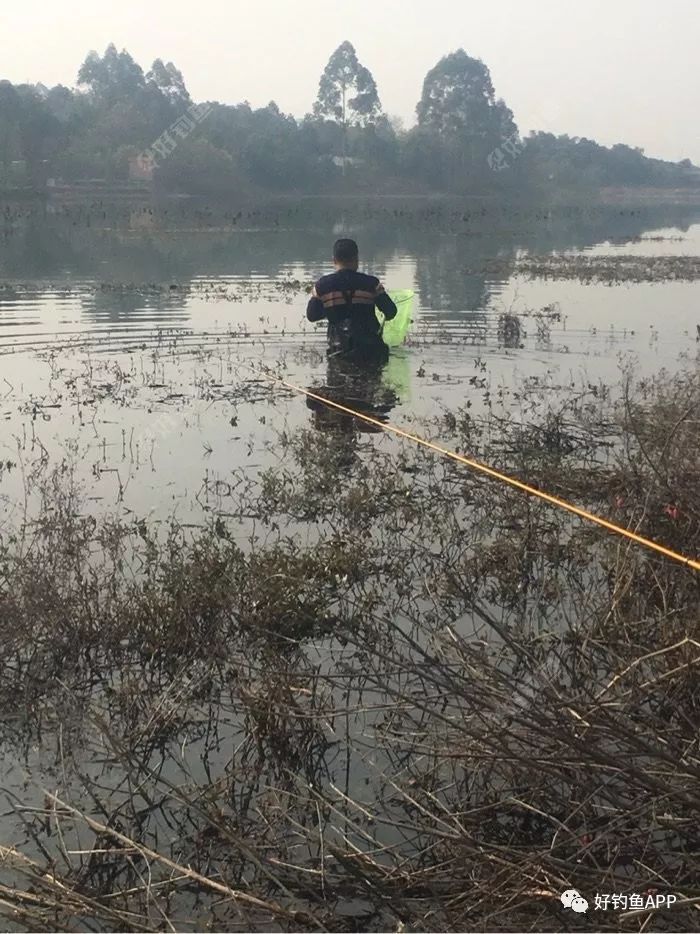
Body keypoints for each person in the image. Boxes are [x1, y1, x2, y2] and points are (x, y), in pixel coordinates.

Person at [306, 238, 397, 363]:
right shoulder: (371, 283)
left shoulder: (323, 286)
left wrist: (321, 300)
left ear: (334, 260)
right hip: (370, 351)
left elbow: (312, 316)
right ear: (357, 259)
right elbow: (391, 312)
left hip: (338, 351)